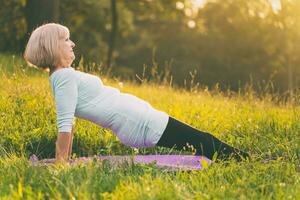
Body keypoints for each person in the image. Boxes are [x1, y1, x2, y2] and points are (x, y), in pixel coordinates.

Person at [24, 23, 249, 164]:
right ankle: (250, 162)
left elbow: (69, 121)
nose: (72, 43)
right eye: (65, 40)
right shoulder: (63, 78)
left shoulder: (64, 76)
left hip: (140, 120)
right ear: (52, 47)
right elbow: (65, 124)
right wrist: (62, 163)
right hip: (140, 123)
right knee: (203, 141)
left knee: (201, 142)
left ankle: (245, 160)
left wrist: (65, 159)